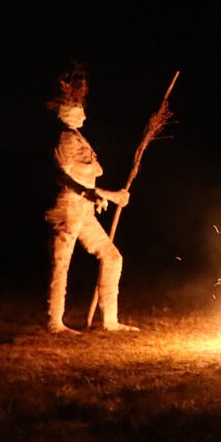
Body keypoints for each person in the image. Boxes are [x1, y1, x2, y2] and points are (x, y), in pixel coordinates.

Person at [44, 65, 137, 333]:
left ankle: (110, 320)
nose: (81, 111)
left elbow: (86, 180)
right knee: (61, 263)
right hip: (67, 210)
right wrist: (107, 195)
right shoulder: (63, 139)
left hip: (84, 211)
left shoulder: (76, 137)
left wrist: (96, 198)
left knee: (112, 256)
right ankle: (54, 322)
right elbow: (62, 177)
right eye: (76, 106)